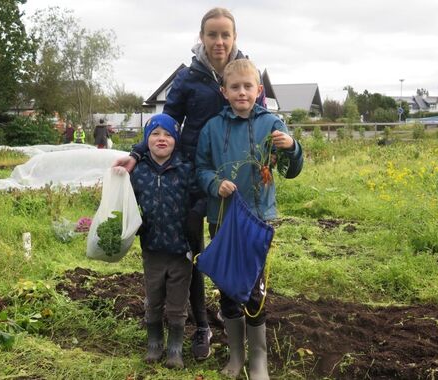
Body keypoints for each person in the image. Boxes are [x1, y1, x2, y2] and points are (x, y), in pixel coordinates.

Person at [113, 7, 265, 360]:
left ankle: (242, 326)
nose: (219, 41)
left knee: (232, 254)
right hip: (195, 179)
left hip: (234, 180)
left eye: (225, 34)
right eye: (212, 34)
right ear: (202, 37)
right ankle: (201, 328)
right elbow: (166, 121)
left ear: (235, 38)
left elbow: (260, 116)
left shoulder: (242, 73)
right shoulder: (189, 78)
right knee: (193, 256)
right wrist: (137, 153)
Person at [195, 59, 303, 380]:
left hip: (258, 220)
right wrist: (216, 184)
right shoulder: (212, 128)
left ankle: (259, 360)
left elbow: (291, 170)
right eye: (234, 87)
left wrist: (293, 147)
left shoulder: (272, 124)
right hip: (223, 219)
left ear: (259, 90)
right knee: (228, 286)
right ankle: (236, 355)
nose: (241, 92)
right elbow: (201, 169)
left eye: (247, 87)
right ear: (224, 91)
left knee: (255, 291)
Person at [125, 114, 202, 369]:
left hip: (181, 250)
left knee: (177, 302)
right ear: (146, 140)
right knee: (154, 298)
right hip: (152, 248)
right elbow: (126, 201)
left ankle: (175, 348)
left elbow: (201, 196)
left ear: (175, 140)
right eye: (155, 134)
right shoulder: (138, 171)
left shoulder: (186, 168)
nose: (161, 139)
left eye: (168, 134)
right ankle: (154, 343)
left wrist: (194, 216)